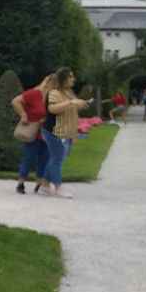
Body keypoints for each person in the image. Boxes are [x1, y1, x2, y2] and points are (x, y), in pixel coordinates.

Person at [42, 67, 89, 199]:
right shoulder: (54, 93)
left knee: (56, 158)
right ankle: (58, 187)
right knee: (57, 158)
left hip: (66, 131)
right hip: (54, 131)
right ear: (63, 79)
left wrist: (81, 104)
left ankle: (45, 184)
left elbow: (71, 107)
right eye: (70, 76)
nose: (73, 79)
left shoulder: (69, 92)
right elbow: (52, 109)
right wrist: (71, 102)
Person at [11, 77, 51, 194]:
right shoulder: (34, 93)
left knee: (44, 158)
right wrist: (23, 114)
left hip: (47, 132)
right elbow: (15, 101)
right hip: (32, 131)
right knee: (29, 157)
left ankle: (39, 183)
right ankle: (21, 182)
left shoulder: (53, 97)